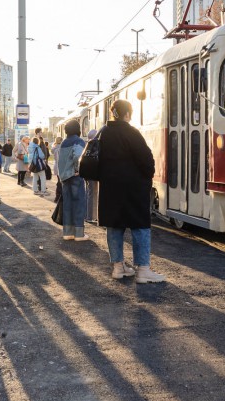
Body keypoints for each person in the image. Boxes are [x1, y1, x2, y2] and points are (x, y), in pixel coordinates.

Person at [98, 99, 164, 283]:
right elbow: (146, 160)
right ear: (127, 114)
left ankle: (118, 268)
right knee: (140, 226)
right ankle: (143, 269)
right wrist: (147, 176)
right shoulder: (132, 132)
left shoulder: (104, 133)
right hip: (133, 188)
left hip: (110, 187)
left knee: (114, 226)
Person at [56, 119, 89, 241]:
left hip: (64, 177)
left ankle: (68, 233)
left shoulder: (64, 142)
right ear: (78, 129)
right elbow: (77, 156)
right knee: (79, 203)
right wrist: (78, 169)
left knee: (68, 204)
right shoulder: (78, 141)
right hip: (75, 176)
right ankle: (79, 234)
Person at [84, 129, 99, 224]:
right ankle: (95, 216)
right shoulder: (97, 144)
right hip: (96, 173)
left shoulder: (88, 145)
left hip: (88, 173)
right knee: (95, 195)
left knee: (89, 194)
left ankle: (89, 216)